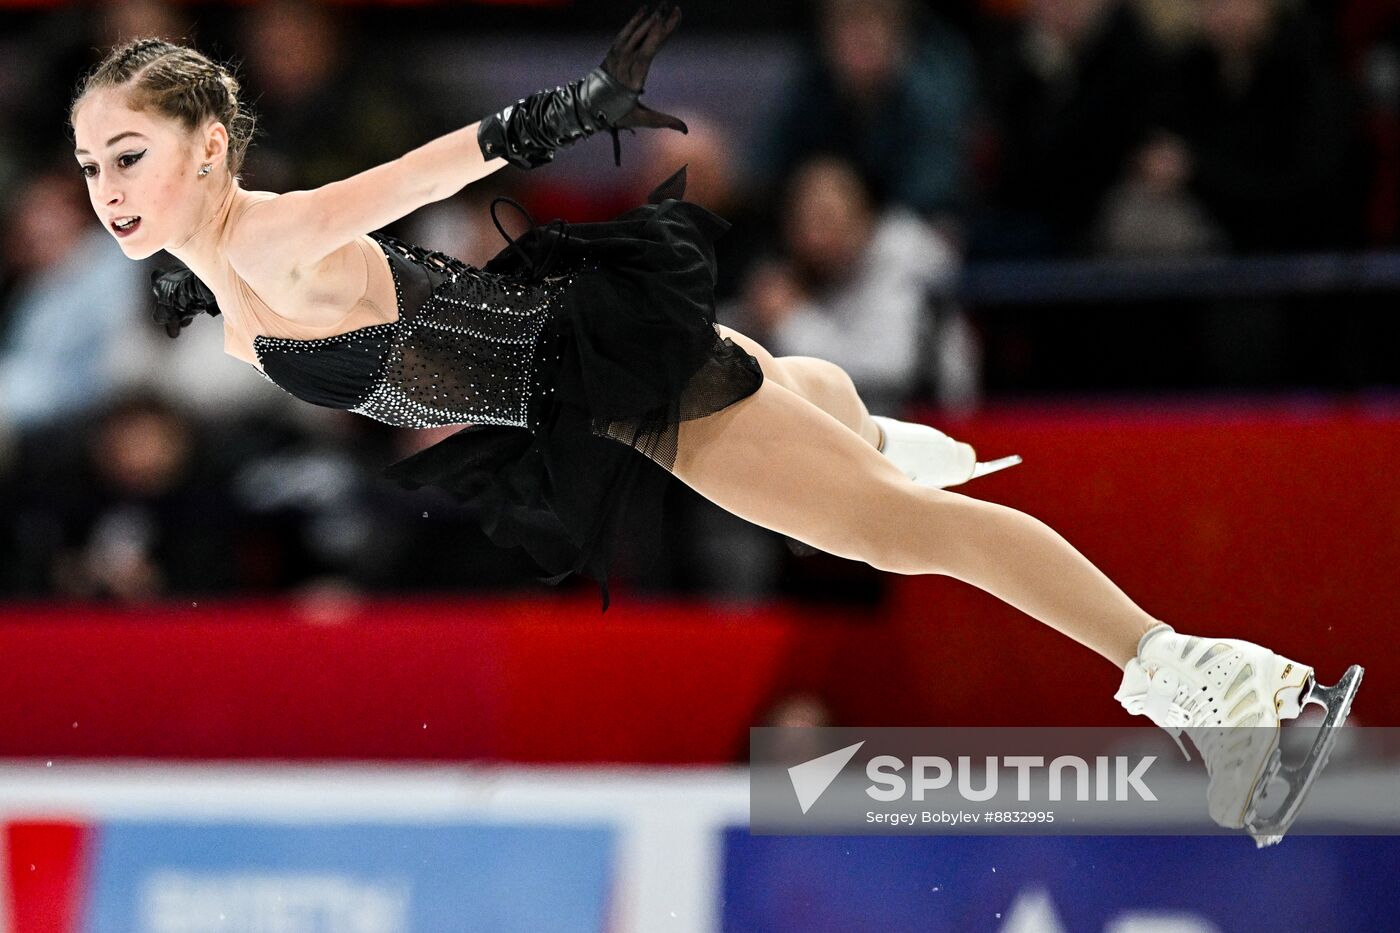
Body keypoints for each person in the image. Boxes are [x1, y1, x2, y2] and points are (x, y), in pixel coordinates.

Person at [68, 3, 1359, 844]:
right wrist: (202, 271)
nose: (107, 187)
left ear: (211, 149)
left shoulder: (282, 243)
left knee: (913, 539)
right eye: (89, 164)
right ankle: (863, 426)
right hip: (609, 371)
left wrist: (548, 119)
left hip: (630, 382)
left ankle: (1227, 684)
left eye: (131, 155)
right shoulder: (230, 289)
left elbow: (406, 179)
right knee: (857, 472)